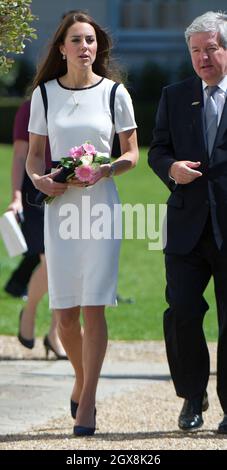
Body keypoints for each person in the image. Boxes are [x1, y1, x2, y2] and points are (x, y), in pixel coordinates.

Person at [26, 10, 138, 437]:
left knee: (94, 306)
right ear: (62, 48)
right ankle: (80, 375)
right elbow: (37, 155)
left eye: (90, 40)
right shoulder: (45, 95)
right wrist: (40, 181)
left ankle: (87, 400)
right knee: (65, 316)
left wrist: (106, 169)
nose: (85, 47)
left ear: (97, 47)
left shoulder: (115, 93)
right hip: (61, 212)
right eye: (76, 40)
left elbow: (131, 154)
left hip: (101, 208)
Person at [148, 11, 227, 434]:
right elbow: (157, 149)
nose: (203, 58)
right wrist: (170, 167)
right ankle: (192, 397)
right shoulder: (174, 95)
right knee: (181, 312)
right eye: (195, 51)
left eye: (211, 49)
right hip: (186, 228)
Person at [7, 100, 67, 359]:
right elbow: (20, 155)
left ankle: (55, 334)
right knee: (53, 261)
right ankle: (30, 310)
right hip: (37, 189)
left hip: (71, 187)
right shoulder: (29, 108)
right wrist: (16, 196)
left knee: (65, 265)